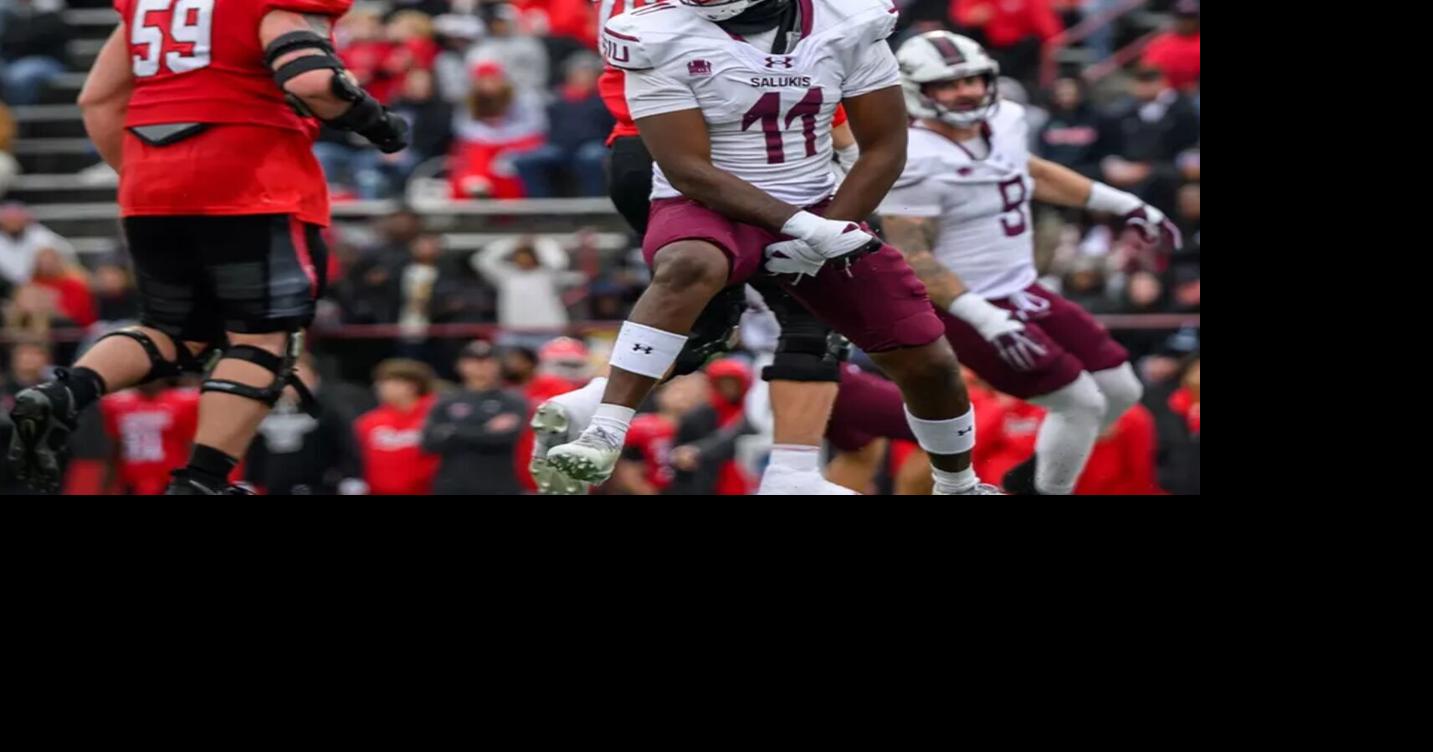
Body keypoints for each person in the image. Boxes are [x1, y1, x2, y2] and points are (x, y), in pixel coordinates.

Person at [545, 0, 997, 496]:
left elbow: (885, 147)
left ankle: (958, 484)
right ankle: (605, 427)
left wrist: (832, 224)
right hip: (704, 200)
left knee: (926, 358)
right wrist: (810, 230)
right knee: (690, 265)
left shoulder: (848, 20)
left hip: (815, 195)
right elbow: (686, 169)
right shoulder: (654, 32)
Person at [5, 0, 408, 494]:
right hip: (249, 178)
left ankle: (62, 391)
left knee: (172, 331)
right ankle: (202, 480)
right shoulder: (268, 9)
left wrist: (144, 177)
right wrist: (380, 124)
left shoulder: (148, 7)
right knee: (262, 339)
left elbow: (98, 100)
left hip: (152, 184)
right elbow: (312, 81)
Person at [876, 31, 1176, 494]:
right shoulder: (911, 157)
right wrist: (987, 318)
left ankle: (1026, 480)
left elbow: (1032, 171)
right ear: (917, 90)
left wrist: (1126, 205)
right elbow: (914, 258)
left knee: (1122, 391)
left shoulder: (1008, 119)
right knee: (1077, 404)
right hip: (967, 305)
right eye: (949, 84)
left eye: (974, 79)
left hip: (1024, 290)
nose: (968, 91)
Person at [421, 341, 528, 495]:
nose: (480, 366)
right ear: (460, 365)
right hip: (453, 485)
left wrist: (453, 431)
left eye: (487, 361)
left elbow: (506, 438)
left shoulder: (512, 400)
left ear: (499, 365)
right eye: (473, 361)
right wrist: (485, 429)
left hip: (498, 485)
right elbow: (428, 444)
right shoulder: (446, 401)